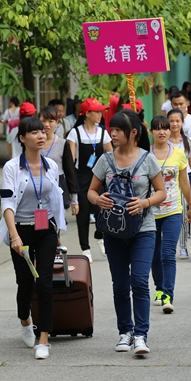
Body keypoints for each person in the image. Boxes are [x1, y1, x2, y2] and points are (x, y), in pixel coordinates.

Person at [88, 110, 166, 356]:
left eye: (118, 130)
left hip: (144, 229)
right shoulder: (105, 160)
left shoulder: (147, 159)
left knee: (139, 281)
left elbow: (161, 192)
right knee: (120, 284)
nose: (112, 134)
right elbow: (91, 191)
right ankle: (125, 332)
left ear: (133, 133)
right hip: (113, 231)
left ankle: (141, 335)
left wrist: (145, 203)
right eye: (111, 129)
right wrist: (98, 200)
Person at [0, 117, 67, 359]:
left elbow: (53, 200)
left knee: (45, 283)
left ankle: (44, 338)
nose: (41, 136)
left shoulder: (51, 166)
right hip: (20, 230)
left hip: (45, 228)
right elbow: (7, 203)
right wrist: (14, 236)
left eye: (42, 132)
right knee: (25, 284)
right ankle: (25, 320)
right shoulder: (12, 167)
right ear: (22, 138)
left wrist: (56, 233)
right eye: (34, 132)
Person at [149, 115, 191, 314]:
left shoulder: (178, 154)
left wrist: (190, 205)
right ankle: (159, 288)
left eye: (165, 128)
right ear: (151, 132)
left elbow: (184, 182)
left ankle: (168, 295)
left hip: (173, 211)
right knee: (154, 253)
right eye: (158, 128)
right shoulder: (145, 154)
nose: (162, 132)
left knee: (168, 253)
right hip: (149, 212)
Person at [67, 98, 113, 262]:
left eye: (101, 111)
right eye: (97, 111)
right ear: (87, 113)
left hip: (99, 179)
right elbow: (71, 160)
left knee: (102, 212)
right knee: (83, 215)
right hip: (82, 178)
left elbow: (111, 156)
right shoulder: (75, 133)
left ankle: (100, 236)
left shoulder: (103, 133)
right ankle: (85, 248)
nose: (100, 114)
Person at [167, 108, 191, 258]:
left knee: (183, 214)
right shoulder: (164, 140)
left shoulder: (187, 142)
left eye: (177, 121)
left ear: (182, 122)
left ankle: (183, 246)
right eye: (171, 121)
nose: (174, 124)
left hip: (183, 182)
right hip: (166, 183)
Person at [38, 106, 79, 222]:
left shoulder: (62, 143)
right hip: (37, 188)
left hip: (57, 186)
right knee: (41, 225)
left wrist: (74, 200)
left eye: (51, 121)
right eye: (43, 121)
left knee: (56, 225)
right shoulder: (34, 142)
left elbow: (70, 172)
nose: (47, 125)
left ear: (57, 122)